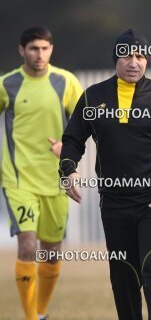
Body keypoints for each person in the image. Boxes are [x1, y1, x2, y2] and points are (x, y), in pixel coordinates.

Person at [59, 29, 151, 320]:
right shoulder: (93, 97)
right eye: (127, 55)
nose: (134, 62)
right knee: (123, 279)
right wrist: (68, 170)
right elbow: (72, 140)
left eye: (141, 56)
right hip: (114, 204)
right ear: (115, 59)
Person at [0, 26, 82, 320]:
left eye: (45, 48)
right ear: (22, 50)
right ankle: (30, 317)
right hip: (18, 179)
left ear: (51, 49)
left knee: (51, 251)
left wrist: (68, 149)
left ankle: (41, 311)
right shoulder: (7, 84)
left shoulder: (66, 82)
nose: (40, 54)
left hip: (55, 180)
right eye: (33, 48)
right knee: (27, 245)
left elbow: (87, 124)